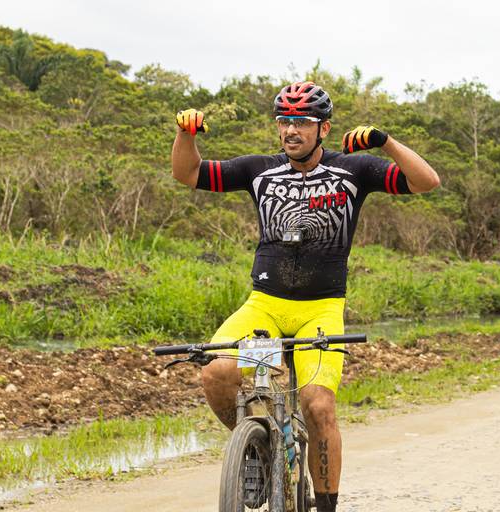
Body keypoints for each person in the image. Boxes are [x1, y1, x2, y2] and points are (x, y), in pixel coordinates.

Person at [171, 81, 440, 512]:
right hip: (264, 306)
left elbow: (426, 182)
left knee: (318, 405)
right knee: (215, 372)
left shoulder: (353, 170)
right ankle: (256, 451)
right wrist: (185, 134)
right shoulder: (259, 170)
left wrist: (386, 142)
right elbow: (188, 173)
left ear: (324, 129)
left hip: (321, 310)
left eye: (302, 122)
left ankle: (327, 504)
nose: (291, 130)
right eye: (284, 121)